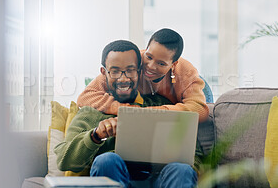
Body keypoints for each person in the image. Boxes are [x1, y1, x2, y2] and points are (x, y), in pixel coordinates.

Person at [54, 40, 203, 188]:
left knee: (182, 169)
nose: (123, 79)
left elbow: (197, 156)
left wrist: (172, 156)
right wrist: (95, 136)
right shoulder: (91, 111)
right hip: (116, 178)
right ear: (104, 73)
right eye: (115, 71)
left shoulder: (162, 104)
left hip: (160, 181)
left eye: (130, 71)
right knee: (106, 160)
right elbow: (64, 160)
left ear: (140, 72)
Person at [77, 28, 209, 122]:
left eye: (161, 63)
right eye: (149, 56)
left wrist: (154, 112)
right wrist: (128, 110)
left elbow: (200, 110)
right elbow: (86, 97)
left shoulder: (186, 72)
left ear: (173, 64)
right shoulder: (133, 61)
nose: (150, 66)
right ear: (146, 50)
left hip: (192, 90)